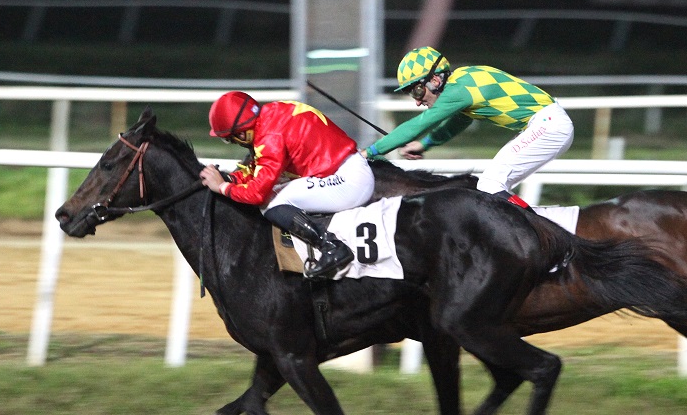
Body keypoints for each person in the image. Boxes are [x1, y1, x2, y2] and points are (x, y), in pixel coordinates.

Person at [362, 47, 574, 207]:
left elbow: (418, 124)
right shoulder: (462, 81)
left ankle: (539, 230)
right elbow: (460, 121)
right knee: (495, 185)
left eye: (417, 91)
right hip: (548, 123)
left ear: (435, 80)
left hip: (548, 126)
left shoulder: (459, 90)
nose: (417, 101)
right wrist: (425, 144)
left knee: (490, 184)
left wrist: (369, 152)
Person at [199, 91, 374, 278]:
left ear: (242, 134)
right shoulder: (271, 115)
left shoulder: (269, 137)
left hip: (349, 181)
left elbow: (257, 194)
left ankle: (331, 246)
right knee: (277, 191)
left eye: (229, 139)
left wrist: (222, 187)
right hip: (345, 169)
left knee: (271, 203)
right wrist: (233, 179)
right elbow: (260, 168)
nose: (233, 143)